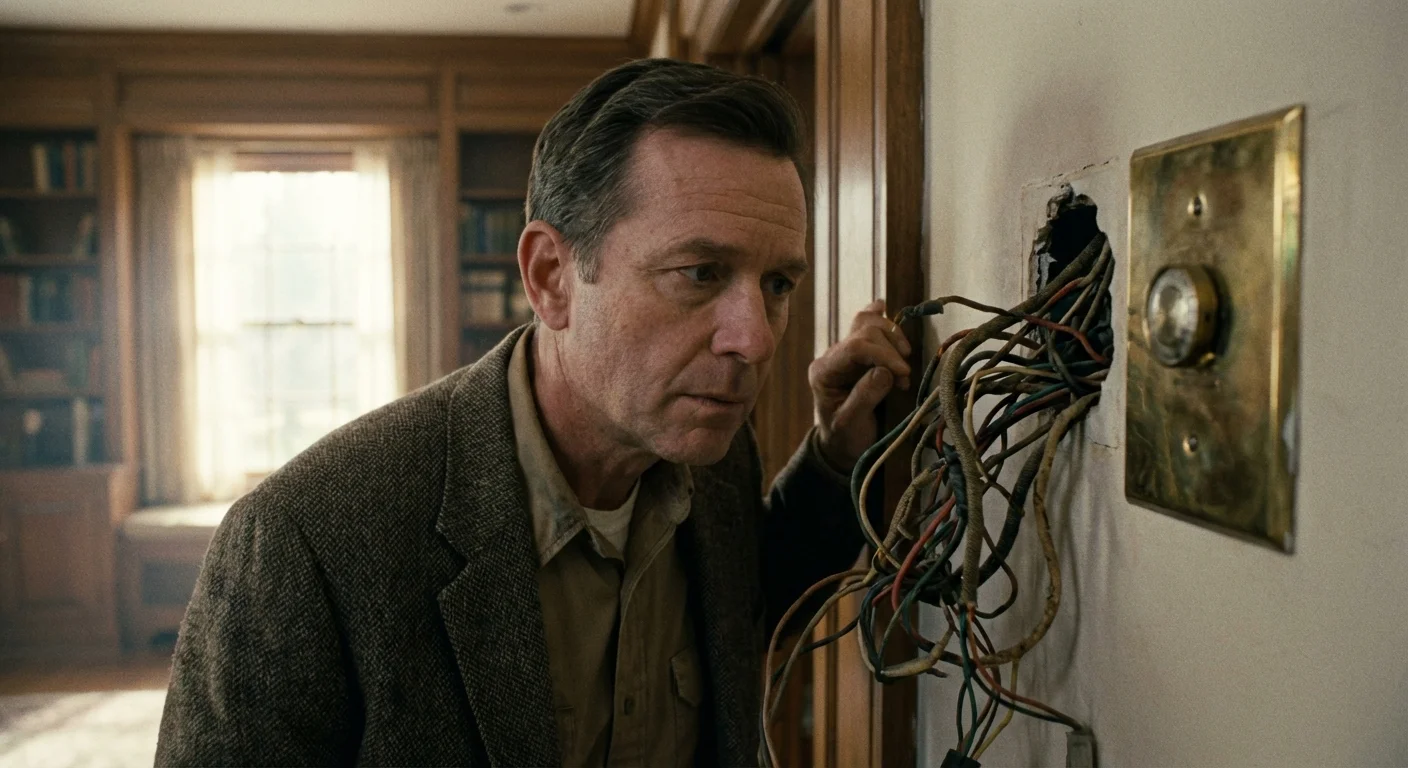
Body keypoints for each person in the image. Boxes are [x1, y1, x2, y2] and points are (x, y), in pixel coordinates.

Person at [155, 58, 911, 767]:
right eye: (699, 273)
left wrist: (838, 458)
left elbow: (745, 604)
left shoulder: (709, 449)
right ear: (551, 277)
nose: (752, 338)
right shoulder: (307, 537)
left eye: (777, 284)